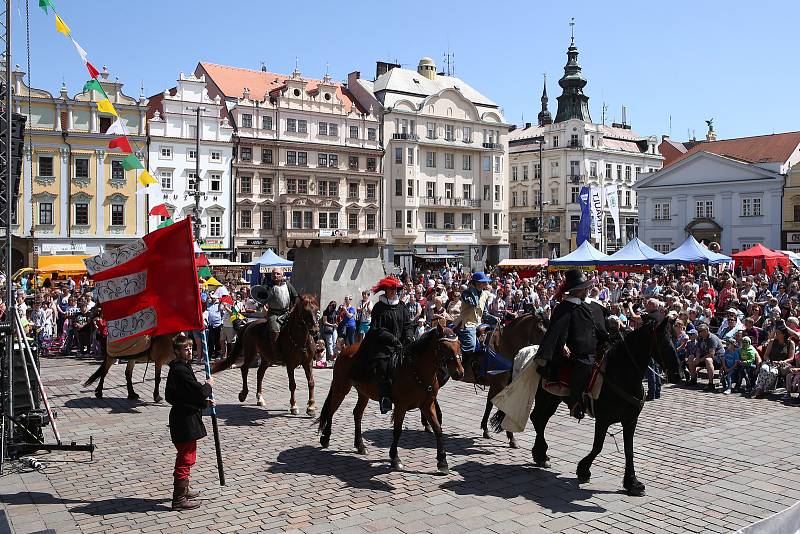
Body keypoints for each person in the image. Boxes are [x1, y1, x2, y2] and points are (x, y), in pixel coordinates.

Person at [535, 269, 608, 420]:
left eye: (588, 287)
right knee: (585, 364)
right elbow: (556, 330)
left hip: (597, 346)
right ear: (577, 290)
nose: (587, 289)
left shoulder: (592, 305)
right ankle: (575, 402)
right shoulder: (564, 307)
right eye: (584, 287)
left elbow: (602, 324)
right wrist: (562, 345)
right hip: (577, 350)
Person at [164, 333, 214, 511]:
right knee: (185, 458)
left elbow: (183, 395)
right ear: (177, 351)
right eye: (185, 349)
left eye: (190, 348)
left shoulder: (182, 367)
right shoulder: (180, 370)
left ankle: (184, 490)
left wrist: (203, 403)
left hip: (184, 416)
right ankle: (178, 499)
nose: (189, 351)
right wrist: (208, 386)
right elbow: (198, 392)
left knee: (187, 455)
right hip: (184, 420)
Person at [359, 276, 414, 414]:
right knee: (383, 368)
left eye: (395, 288)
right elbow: (377, 329)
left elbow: (407, 324)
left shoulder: (402, 305)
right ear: (385, 289)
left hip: (401, 344)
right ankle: (385, 398)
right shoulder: (379, 307)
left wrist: (408, 335)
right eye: (391, 288)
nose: (393, 291)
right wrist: (392, 339)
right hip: (383, 345)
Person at [454, 272, 493, 361]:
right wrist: (472, 289)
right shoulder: (466, 293)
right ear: (474, 283)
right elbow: (474, 303)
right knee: (471, 346)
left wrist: (495, 319)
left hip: (479, 324)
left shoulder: (485, 295)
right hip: (467, 324)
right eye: (481, 282)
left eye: (484, 282)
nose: (484, 284)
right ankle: (460, 363)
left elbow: (485, 314)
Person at [261, 268, 298, 350]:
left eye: (278, 274)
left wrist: (293, 309)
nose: (275, 275)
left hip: (287, 313)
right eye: (273, 274)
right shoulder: (268, 286)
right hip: (274, 314)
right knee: (275, 330)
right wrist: (263, 305)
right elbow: (261, 298)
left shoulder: (288, 285)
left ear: (282, 275)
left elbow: (295, 297)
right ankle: (275, 350)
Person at [687, 323, 725, 391]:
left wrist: (700, 360)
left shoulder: (712, 338)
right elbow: (698, 349)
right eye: (698, 331)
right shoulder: (700, 338)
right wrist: (697, 358)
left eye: (700, 331)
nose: (699, 333)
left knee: (708, 360)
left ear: (706, 331)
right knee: (691, 357)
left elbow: (711, 354)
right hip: (704, 356)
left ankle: (711, 383)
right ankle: (693, 378)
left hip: (718, 358)